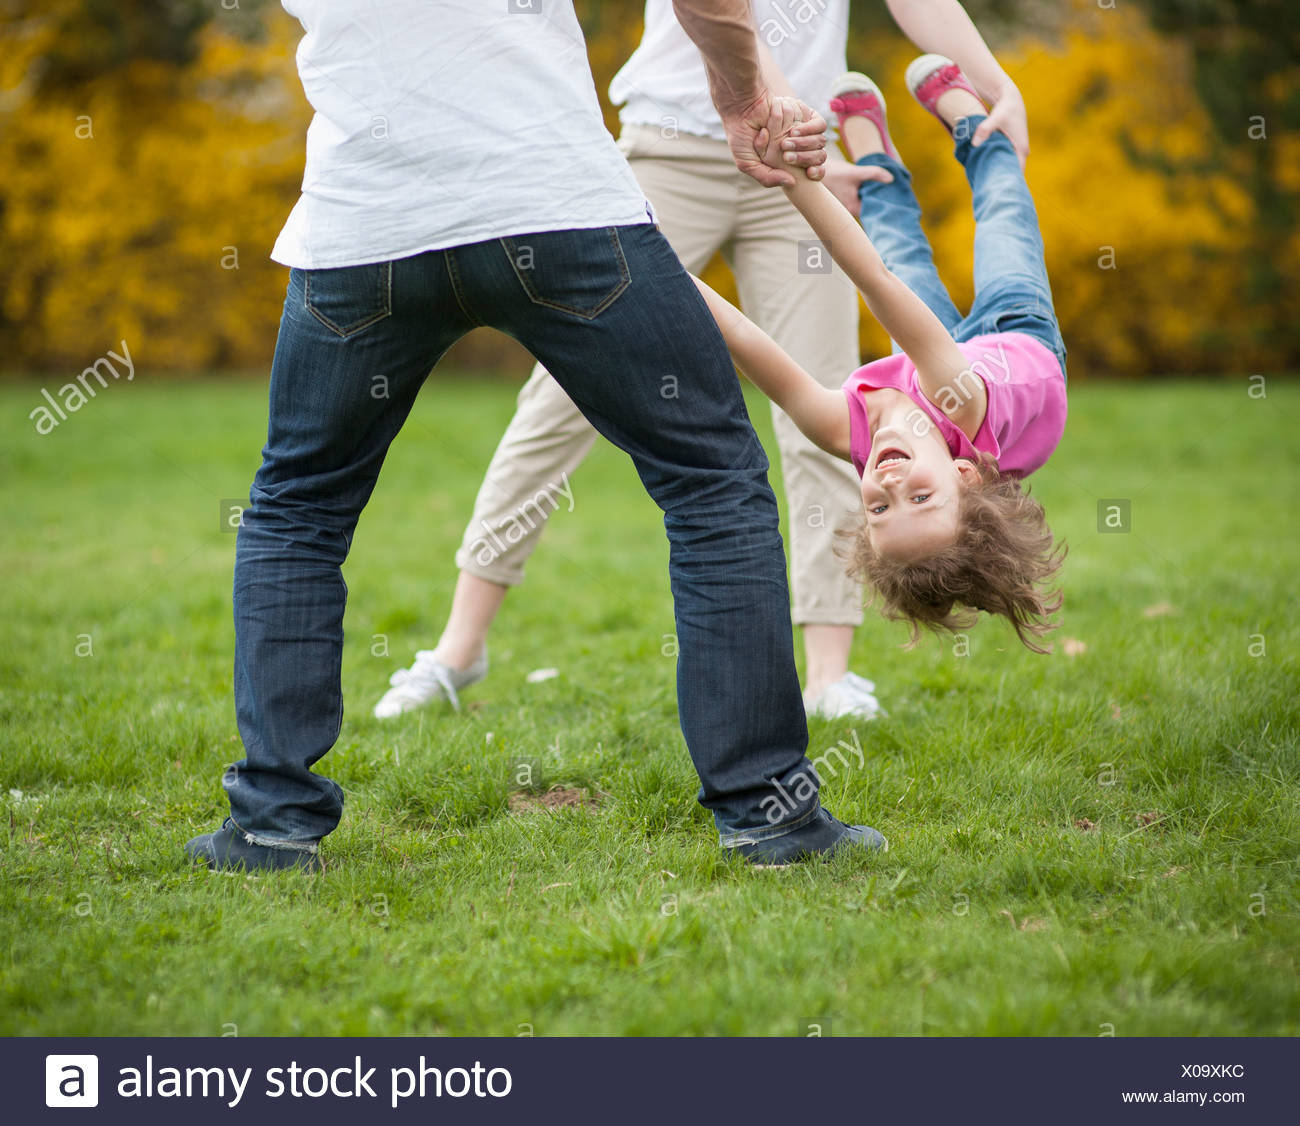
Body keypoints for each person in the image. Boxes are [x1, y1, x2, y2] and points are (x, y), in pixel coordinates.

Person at [184, 0, 887, 873]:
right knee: (712, 483)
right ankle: (769, 818)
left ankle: (269, 827)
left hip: (364, 229)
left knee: (298, 509)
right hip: (555, 207)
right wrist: (743, 97)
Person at [374, 0, 1032, 722]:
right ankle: (458, 649)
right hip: (674, 145)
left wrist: (996, 82)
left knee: (845, 427)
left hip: (795, 163)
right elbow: (727, 14)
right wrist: (781, 111)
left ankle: (828, 677)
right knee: (559, 402)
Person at [693, 57, 1067, 652]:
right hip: (1021, 342)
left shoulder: (842, 431)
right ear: (964, 474)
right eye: (920, 497)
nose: (889, 482)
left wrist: (655, 252)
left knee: (899, 252)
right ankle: (976, 127)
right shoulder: (958, 402)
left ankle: (875, 161)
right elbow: (872, 282)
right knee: (1002, 220)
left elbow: (744, 340)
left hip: (932, 356)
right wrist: (797, 177)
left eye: (878, 507)